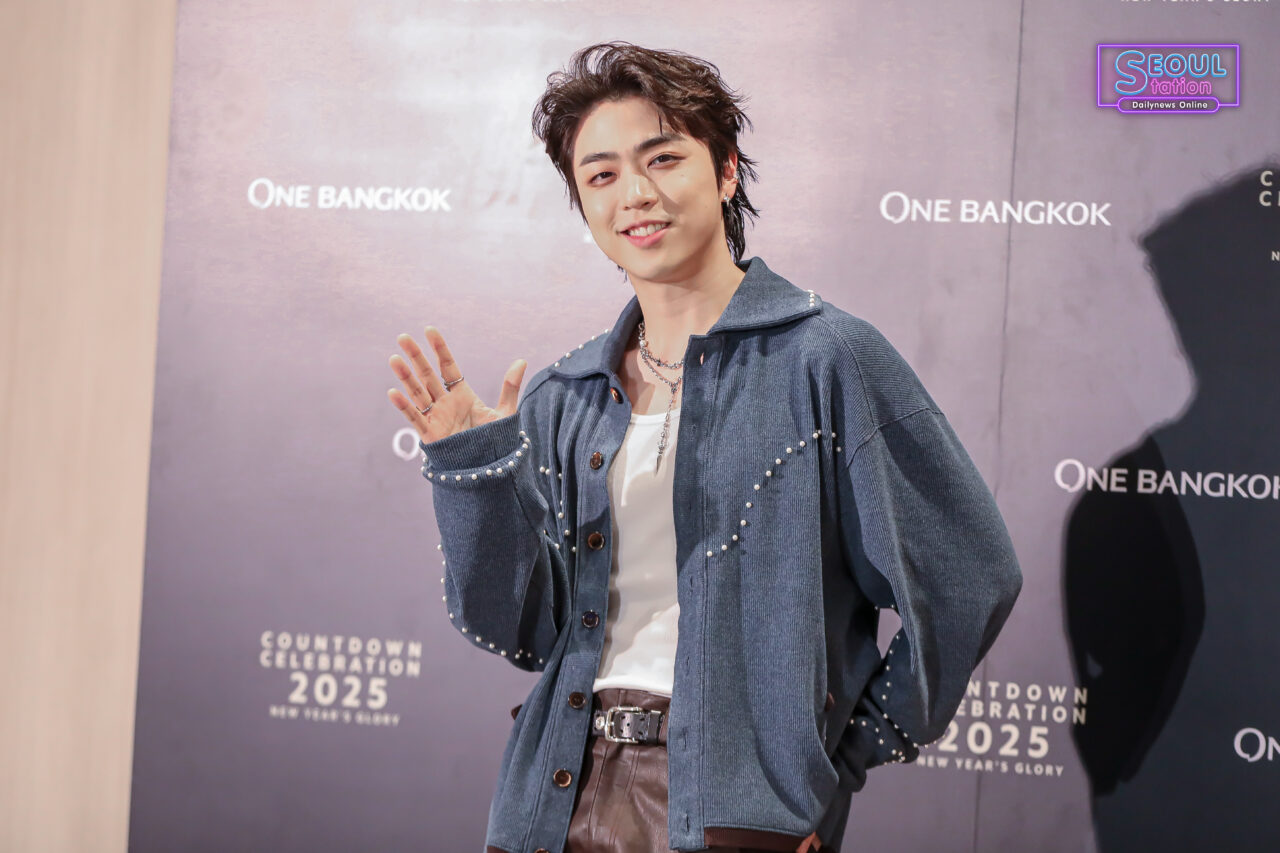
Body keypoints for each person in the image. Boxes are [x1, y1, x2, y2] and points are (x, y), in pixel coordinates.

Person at [386, 41, 1023, 853]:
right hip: (551, 797)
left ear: (725, 172)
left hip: (733, 811)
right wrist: (474, 471)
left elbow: (970, 579)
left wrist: (836, 760)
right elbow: (527, 632)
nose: (635, 194)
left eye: (662, 158)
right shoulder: (564, 393)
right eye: (602, 175)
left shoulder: (827, 357)